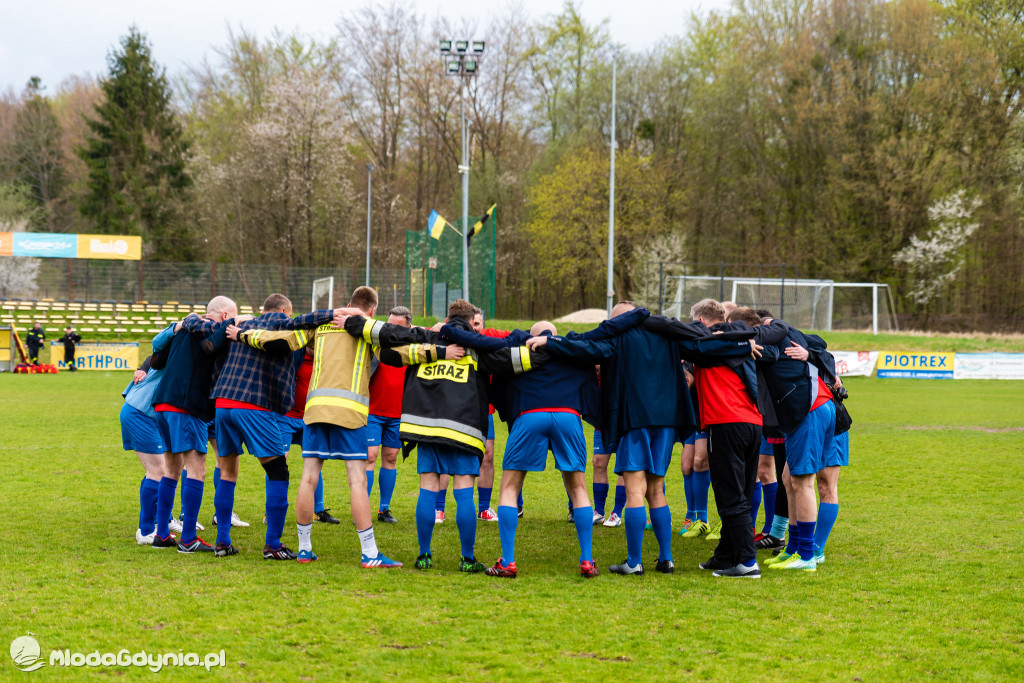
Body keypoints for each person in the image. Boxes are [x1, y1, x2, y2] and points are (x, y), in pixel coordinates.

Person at [530, 302, 752, 576]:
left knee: (635, 491)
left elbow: (585, 349)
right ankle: (666, 559)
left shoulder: (617, 337)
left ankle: (634, 562)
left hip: (633, 419)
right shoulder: (667, 334)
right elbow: (702, 348)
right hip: (667, 421)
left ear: (618, 321)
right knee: (656, 489)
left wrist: (551, 342)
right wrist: (742, 346)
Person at [354, 299, 543, 573]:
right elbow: (520, 360)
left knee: (428, 489)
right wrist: (547, 345)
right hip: (464, 432)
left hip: (426, 430)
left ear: (446, 320)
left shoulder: (426, 344)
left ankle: (424, 555)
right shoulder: (477, 350)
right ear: (470, 325)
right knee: (464, 493)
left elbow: (387, 354)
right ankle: (467, 559)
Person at [233, 287, 406, 567]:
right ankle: (370, 553)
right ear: (373, 310)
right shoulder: (368, 327)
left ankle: (304, 549)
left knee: (308, 477)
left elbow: (282, 339)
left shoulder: (322, 324)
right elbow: (397, 352)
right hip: (349, 411)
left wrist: (243, 334)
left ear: (348, 304)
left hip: (314, 410)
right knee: (357, 480)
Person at [185, 293, 335, 560]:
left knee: (227, 472)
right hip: (254, 405)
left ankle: (223, 542)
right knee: (278, 471)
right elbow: (307, 319)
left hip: (223, 404)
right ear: (284, 311)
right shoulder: (281, 323)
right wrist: (335, 314)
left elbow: (203, 327)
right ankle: (273, 545)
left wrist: (187, 321)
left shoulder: (241, 324)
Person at [448, 320, 602, 578]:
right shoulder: (571, 351)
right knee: (578, 488)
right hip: (568, 415)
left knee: (510, 487)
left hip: (529, 414)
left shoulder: (520, 352)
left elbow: (500, 386)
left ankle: (508, 562)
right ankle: (587, 561)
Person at [641, 300, 770, 578]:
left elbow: (676, 333)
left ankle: (747, 561)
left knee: (730, 495)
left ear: (699, 321)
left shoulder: (709, 343)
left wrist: (639, 317)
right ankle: (726, 555)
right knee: (740, 492)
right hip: (751, 422)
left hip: (726, 422)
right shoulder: (733, 339)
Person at [149, 296, 239, 553]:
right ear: (225, 316)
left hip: (163, 404)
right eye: (232, 316)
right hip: (186, 406)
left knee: (171, 470)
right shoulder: (211, 331)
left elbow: (157, 358)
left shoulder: (183, 330)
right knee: (196, 469)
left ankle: (162, 534)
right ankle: (188, 538)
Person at [753, 315, 836, 572]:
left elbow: (819, 346)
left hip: (809, 410)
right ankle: (793, 548)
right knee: (789, 479)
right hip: (812, 409)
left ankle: (807, 555)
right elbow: (819, 342)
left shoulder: (775, 339)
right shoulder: (786, 338)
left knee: (803, 482)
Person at [121, 324, 175, 544]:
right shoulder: (173, 345)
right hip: (141, 412)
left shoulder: (179, 351)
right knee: (158, 470)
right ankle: (145, 531)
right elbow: (157, 344)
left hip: (149, 414)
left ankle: (160, 521)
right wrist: (178, 326)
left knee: (164, 469)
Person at [274, 340, 338, 525]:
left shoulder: (325, 359)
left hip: (311, 417)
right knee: (278, 462)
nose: (316, 345)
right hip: (286, 416)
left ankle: (318, 510)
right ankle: (272, 511)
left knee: (315, 462)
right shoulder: (294, 355)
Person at [366, 306, 414, 524]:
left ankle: (384, 509)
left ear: (409, 327)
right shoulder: (376, 344)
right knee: (370, 456)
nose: (392, 331)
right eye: (389, 325)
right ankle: (362, 507)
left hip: (398, 414)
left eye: (398, 327)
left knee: (391, 457)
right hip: (372, 411)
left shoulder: (415, 349)